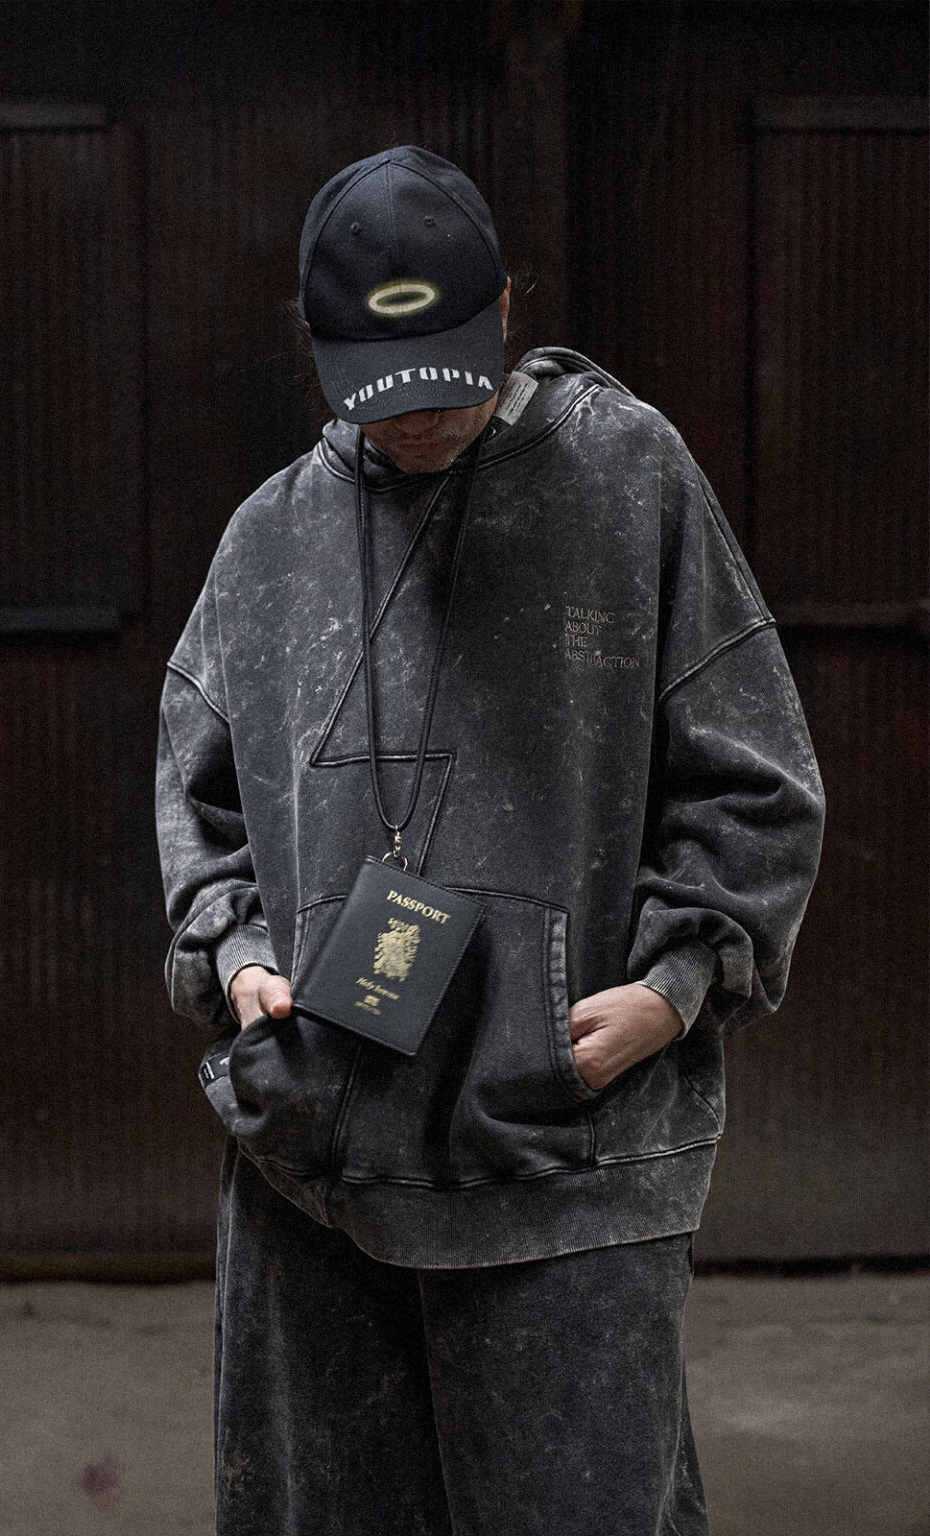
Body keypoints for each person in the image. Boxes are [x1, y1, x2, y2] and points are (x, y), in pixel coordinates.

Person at [156, 146, 824, 1535]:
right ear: (315, 350)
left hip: (566, 1149)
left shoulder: (628, 478)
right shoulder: (271, 537)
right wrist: (239, 956)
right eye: (382, 391)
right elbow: (199, 809)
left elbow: (756, 783)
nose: (418, 420)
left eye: (447, 379)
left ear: (505, 309)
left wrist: (673, 991)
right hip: (320, 1152)